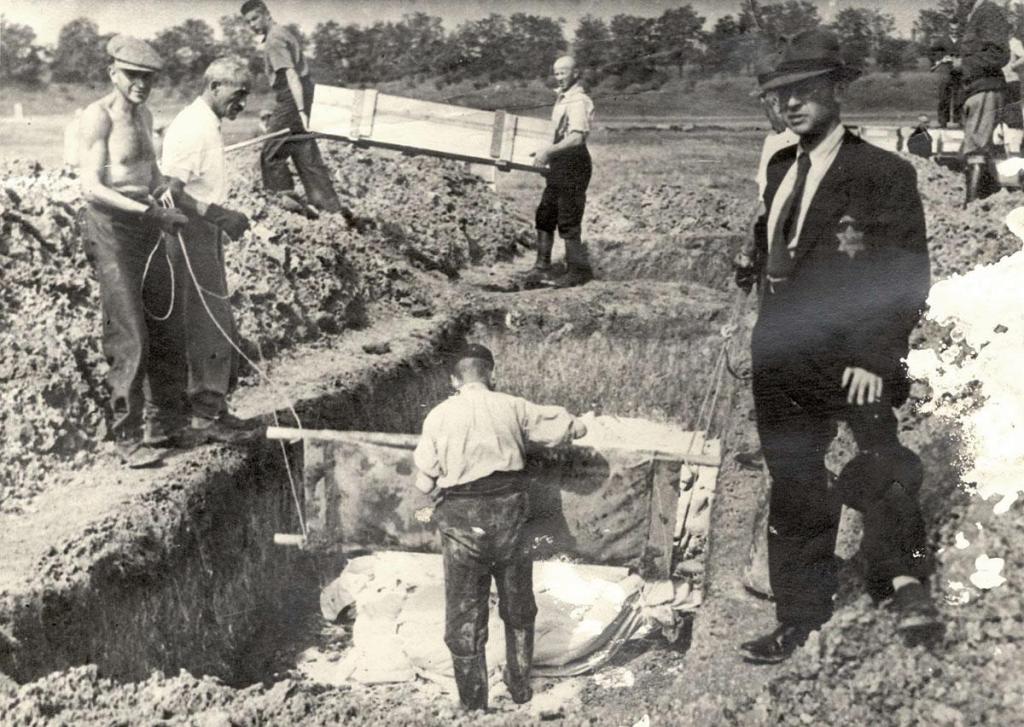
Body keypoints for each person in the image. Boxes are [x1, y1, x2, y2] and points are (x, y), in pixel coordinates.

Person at [733, 30, 941, 665]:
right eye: (777, 97)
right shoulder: (778, 168)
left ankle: (905, 588)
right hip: (782, 356)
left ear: (835, 91)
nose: (790, 106)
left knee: (880, 462)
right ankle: (798, 616)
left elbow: (905, 275)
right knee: (794, 483)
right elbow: (781, 249)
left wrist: (876, 358)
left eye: (803, 92)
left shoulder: (882, 172)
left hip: (852, 359)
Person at [412, 344, 588, 711]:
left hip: (463, 523)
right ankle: (520, 687)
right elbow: (570, 429)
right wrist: (577, 424)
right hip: (510, 518)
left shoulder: (438, 417)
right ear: (490, 373)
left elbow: (425, 484)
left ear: (453, 379)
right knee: (518, 603)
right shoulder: (513, 405)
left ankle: (474, 703)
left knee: (464, 612)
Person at [79, 35, 190, 468]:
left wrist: (161, 190)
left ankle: (162, 424)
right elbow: (92, 186)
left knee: (164, 322)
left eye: (149, 78)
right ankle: (126, 436)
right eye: (134, 76)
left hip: (146, 222)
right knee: (130, 331)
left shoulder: (144, 115)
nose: (142, 84)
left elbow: (150, 169)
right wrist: (150, 213)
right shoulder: (98, 117)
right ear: (113, 73)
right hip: (111, 228)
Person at [160, 57, 262, 444]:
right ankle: (205, 418)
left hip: (205, 232)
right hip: (190, 236)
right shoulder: (192, 128)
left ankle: (213, 408)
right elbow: (168, 193)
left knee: (215, 321)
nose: (243, 104)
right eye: (238, 95)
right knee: (208, 324)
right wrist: (215, 214)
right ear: (215, 86)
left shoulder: (207, 124)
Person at [240, 0, 342, 213]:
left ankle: (285, 206)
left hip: (293, 97)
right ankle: (330, 210)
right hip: (301, 94)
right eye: (248, 22)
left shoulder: (274, 40)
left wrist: (301, 111)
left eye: (255, 18)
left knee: (271, 152)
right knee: (304, 152)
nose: (252, 25)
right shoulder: (281, 33)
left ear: (267, 14)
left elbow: (291, 75)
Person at [528, 56, 595, 289]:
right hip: (561, 163)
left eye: (564, 72)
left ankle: (577, 271)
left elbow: (577, 137)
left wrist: (548, 152)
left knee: (568, 216)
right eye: (556, 73)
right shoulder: (563, 99)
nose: (559, 77)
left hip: (574, 164)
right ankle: (542, 266)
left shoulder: (578, 101)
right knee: (546, 213)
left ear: (575, 73)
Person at [943, 0, 1010, 203]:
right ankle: (993, 201)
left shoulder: (987, 11)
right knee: (978, 148)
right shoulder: (976, 14)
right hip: (975, 89)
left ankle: (971, 206)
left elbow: (998, 55)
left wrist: (960, 64)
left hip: (984, 87)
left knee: (976, 149)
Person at [930, 18, 964, 129]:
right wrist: (940, 59)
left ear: (959, 28)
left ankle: (959, 120)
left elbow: (970, 52)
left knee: (959, 96)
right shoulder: (942, 40)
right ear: (948, 28)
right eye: (951, 29)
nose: (954, 31)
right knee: (944, 95)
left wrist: (962, 59)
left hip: (960, 70)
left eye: (956, 29)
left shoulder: (964, 40)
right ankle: (942, 121)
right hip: (945, 70)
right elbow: (931, 51)